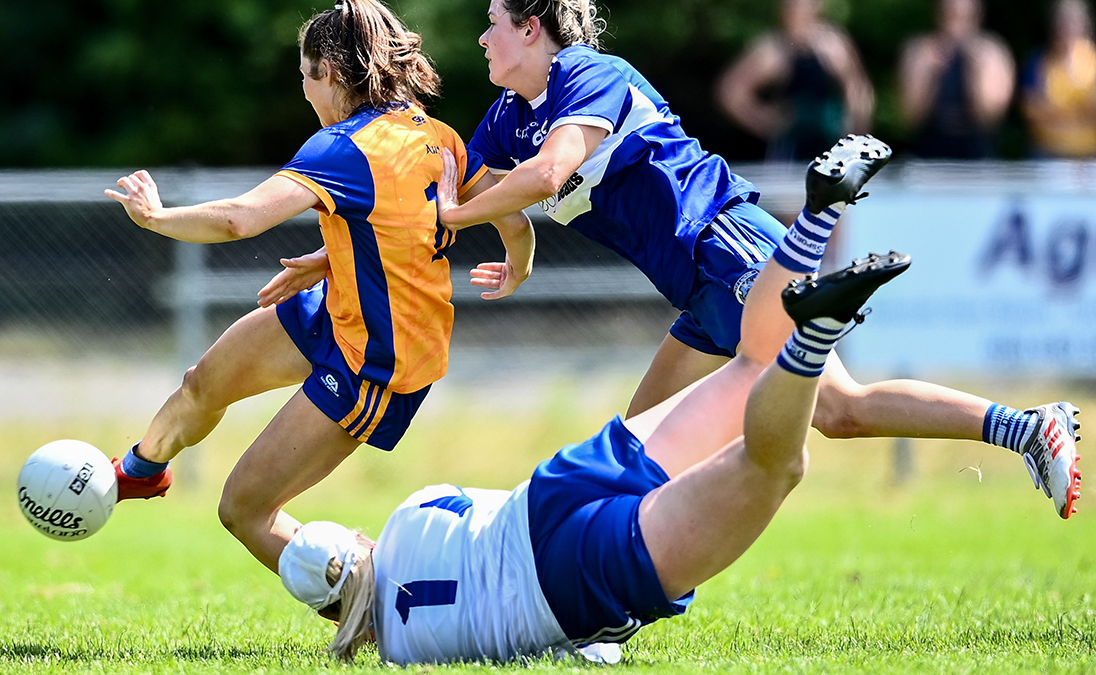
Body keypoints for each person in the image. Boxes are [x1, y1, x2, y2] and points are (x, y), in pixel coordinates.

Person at [275, 167, 1082, 662]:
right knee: (760, 379)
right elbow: (477, 505)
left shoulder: (404, 653)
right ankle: (817, 222)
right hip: (550, 491)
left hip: (573, 573)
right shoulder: (408, 515)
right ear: (356, 542)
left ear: (339, 620)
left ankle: (826, 331)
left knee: (779, 458)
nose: (487, 37)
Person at [421, 0, 1073, 517]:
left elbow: (545, 175)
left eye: (492, 24)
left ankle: (1027, 429)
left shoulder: (589, 75)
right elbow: (493, 195)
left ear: (531, 29)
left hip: (727, 245)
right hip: (699, 288)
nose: (482, 39)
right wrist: (518, 256)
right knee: (635, 449)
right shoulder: (507, 119)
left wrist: (451, 215)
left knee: (835, 410)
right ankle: (617, 605)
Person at [101, 0, 535, 574]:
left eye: (305, 76)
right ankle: (141, 470)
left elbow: (239, 220)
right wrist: (515, 267)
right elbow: (512, 221)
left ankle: (396, 607)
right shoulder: (440, 137)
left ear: (328, 71)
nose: (304, 92)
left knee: (245, 509)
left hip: (381, 359)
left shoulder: (343, 147)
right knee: (202, 383)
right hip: (338, 310)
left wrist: (157, 218)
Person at [717, 0, 874, 162]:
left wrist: (857, 129)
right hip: (791, 149)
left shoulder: (834, 45)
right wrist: (764, 121)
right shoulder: (773, 50)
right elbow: (731, 92)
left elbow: (857, 89)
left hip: (832, 144)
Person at [898, 0, 1015, 159]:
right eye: (951, 16)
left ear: (976, 17)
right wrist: (930, 76)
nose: (956, 26)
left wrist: (974, 73)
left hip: (978, 151)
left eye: (964, 17)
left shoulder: (992, 52)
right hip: (928, 150)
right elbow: (910, 118)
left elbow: (991, 118)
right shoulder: (920, 50)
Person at [1022, 0, 1096, 158]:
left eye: (1073, 22)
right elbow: (1032, 112)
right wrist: (1079, 112)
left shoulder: (1093, 62)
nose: (1068, 28)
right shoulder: (1038, 61)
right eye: (1062, 22)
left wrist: (1055, 113)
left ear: (1085, 25)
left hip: (1089, 155)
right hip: (1047, 152)